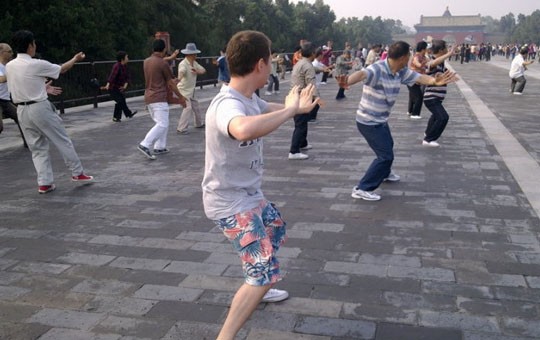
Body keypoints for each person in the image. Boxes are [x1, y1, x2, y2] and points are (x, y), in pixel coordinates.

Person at [201, 30, 318, 340]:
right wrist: (292, 110)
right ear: (260, 65)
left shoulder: (248, 97)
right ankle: (227, 333)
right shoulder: (227, 104)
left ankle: (259, 287)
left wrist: (295, 106)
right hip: (228, 202)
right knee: (263, 271)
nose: (273, 67)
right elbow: (241, 129)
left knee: (275, 227)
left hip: (249, 196)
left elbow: (264, 110)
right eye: (271, 62)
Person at [337, 41, 458, 201]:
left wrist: (434, 81)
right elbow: (362, 74)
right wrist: (347, 82)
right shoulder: (378, 68)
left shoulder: (400, 71)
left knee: (389, 146)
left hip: (380, 119)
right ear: (402, 57)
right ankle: (362, 188)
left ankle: (385, 173)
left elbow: (419, 77)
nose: (409, 58)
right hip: (368, 121)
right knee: (385, 156)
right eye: (408, 55)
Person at [6, 30, 94, 194]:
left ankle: (45, 182)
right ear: (30, 45)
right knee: (61, 139)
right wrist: (75, 59)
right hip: (39, 107)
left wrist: (42, 86)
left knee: (37, 147)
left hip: (22, 109)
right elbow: (62, 69)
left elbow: (20, 83)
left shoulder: (10, 66)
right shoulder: (36, 64)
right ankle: (77, 173)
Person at [137, 39, 186, 160]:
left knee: (162, 122)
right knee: (162, 124)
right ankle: (145, 144)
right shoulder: (163, 64)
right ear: (164, 50)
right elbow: (170, 83)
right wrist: (180, 97)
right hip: (159, 97)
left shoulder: (146, 61)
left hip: (149, 97)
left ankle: (160, 146)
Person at [422, 40, 457, 147]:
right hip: (431, 97)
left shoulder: (441, 64)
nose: (447, 49)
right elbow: (432, 63)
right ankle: (428, 139)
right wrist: (449, 54)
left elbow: (444, 71)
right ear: (442, 50)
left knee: (436, 116)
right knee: (443, 117)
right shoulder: (431, 61)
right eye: (446, 48)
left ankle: (428, 133)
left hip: (437, 98)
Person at [288, 41, 320, 160]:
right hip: (301, 98)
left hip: (295, 95)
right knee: (300, 124)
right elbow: (311, 83)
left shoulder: (301, 63)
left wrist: (322, 69)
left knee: (302, 122)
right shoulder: (307, 65)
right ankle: (294, 151)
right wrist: (317, 98)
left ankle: (303, 143)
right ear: (312, 53)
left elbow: (312, 69)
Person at [0, 42, 27, 148]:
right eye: (9, 51)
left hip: (5, 100)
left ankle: (28, 143)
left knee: (21, 118)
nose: (12, 53)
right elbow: (1, 79)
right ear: (1, 53)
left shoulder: (9, 66)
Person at [176, 42, 206, 134]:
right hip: (183, 90)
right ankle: (181, 128)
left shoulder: (194, 63)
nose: (196, 55)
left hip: (191, 90)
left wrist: (196, 71)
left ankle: (198, 123)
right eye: (195, 53)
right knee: (187, 107)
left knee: (196, 106)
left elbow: (204, 70)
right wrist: (179, 77)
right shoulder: (183, 64)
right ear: (191, 54)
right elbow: (181, 72)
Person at [103, 51, 137, 122]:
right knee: (120, 101)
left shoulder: (125, 67)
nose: (128, 58)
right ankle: (122, 115)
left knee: (121, 101)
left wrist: (124, 86)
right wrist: (107, 85)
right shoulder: (117, 66)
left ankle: (120, 116)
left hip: (119, 87)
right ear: (122, 59)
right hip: (113, 88)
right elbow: (112, 76)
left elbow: (127, 78)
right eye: (127, 57)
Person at [407, 41, 429, 119]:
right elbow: (418, 65)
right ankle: (415, 114)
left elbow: (429, 65)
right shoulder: (416, 56)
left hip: (418, 79)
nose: (427, 49)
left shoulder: (424, 57)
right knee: (418, 97)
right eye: (426, 48)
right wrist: (424, 64)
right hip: (412, 79)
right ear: (423, 49)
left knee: (413, 95)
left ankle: (410, 111)